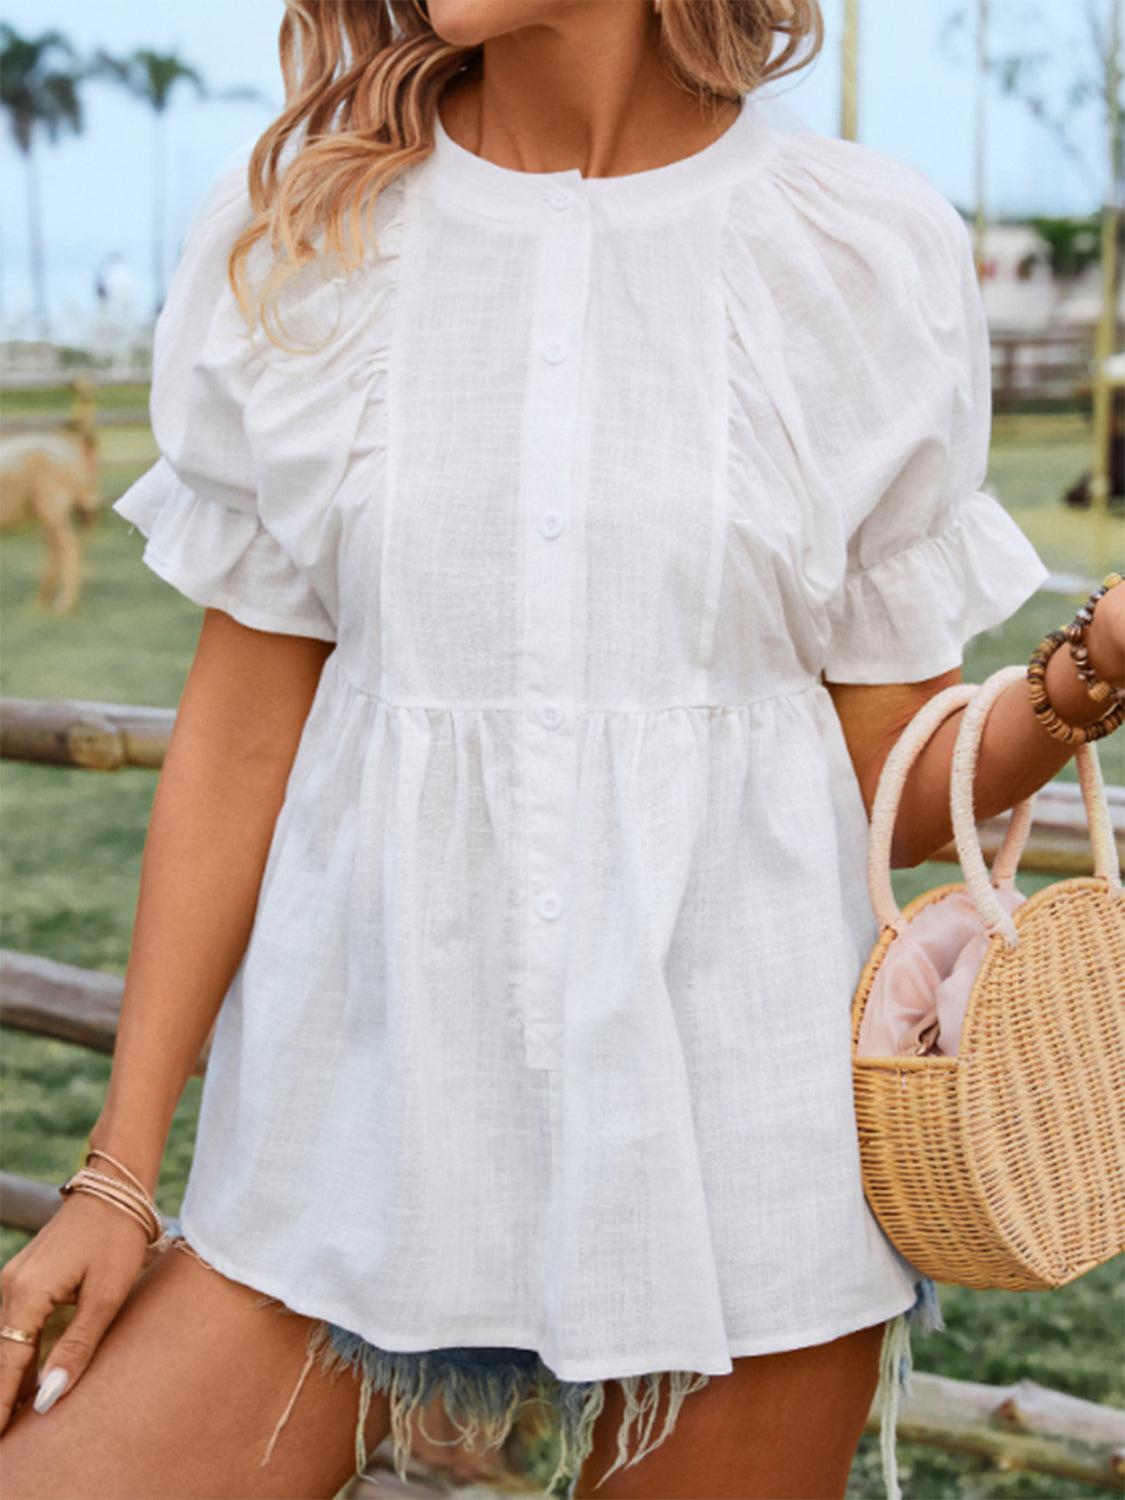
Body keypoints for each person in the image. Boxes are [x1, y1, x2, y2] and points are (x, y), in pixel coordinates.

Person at [2, 2, 1122, 1497]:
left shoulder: (855, 251)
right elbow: (236, 748)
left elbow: (891, 781)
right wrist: (118, 1176)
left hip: (749, 1168)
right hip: (346, 1148)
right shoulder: (307, 233)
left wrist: (1082, 679)